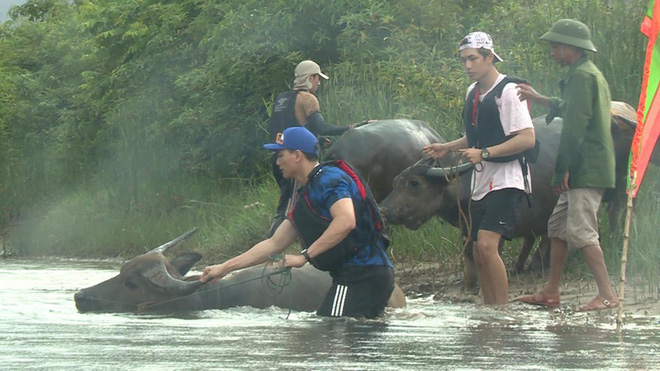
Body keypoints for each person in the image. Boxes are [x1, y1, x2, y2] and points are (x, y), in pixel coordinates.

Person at [201, 126, 394, 318]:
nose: (277, 162)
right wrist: (223, 268)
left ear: (298, 155)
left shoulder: (329, 179)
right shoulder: (307, 194)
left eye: (280, 155)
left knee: (330, 326)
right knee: (348, 338)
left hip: (361, 275)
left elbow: (345, 221)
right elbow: (274, 243)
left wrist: (304, 257)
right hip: (359, 275)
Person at [423, 32, 536, 305]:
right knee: (477, 248)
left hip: (507, 178)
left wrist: (484, 153)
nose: (468, 66)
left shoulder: (509, 90)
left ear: (489, 57)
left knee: (487, 244)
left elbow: (526, 138)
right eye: (463, 60)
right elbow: (477, 135)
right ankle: (489, 309)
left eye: (473, 59)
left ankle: (502, 310)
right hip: (482, 180)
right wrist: (447, 147)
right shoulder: (472, 92)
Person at [516, 19, 619, 311]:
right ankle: (550, 291)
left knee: (582, 232)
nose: (552, 53)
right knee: (558, 227)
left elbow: (574, 127)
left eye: (555, 47)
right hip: (583, 166)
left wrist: (562, 169)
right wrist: (540, 99)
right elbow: (570, 107)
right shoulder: (584, 74)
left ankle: (607, 294)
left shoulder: (583, 76)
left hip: (585, 167)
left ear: (571, 48)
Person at [267, 60, 352, 236]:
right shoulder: (307, 98)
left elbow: (291, 128)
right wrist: (352, 127)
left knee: (291, 205)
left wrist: (318, 140)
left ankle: (303, 241)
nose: (319, 83)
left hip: (278, 157)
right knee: (288, 211)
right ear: (310, 77)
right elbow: (323, 127)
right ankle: (271, 249)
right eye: (317, 78)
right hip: (296, 161)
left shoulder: (282, 98)